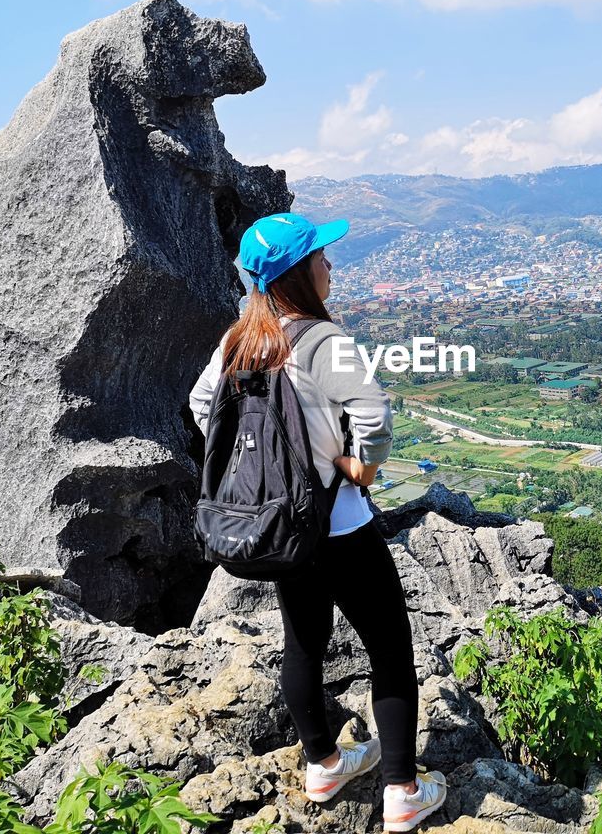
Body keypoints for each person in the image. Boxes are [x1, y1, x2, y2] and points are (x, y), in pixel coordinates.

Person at [189, 212, 447, 832]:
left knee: (303, 643)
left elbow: (204, 406)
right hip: (340, 525)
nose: (330, 264)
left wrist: (260, 474)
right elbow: (375, 415)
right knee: (389, 649)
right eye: (320, 257)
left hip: (282, 528)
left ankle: (325, 764)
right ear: (298, 274)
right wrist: (360, 467)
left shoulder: (240, 342)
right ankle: (402, 792)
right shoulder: (324, 342)